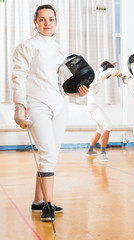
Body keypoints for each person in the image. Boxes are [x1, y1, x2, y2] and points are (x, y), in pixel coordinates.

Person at [12, 4, 89, 222]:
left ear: (56, 22)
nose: (47, 23)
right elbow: (18, 78)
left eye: (51, 19)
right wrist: (19, 106)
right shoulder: (26, 47)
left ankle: (38, 202)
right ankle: (48, 205)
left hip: (59, 106)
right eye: (42, 19)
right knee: (47, 154)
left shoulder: (59, 49)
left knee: (51, 156)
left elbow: (63, 83)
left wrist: (78, 93)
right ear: (35, 22)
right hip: (37, 104)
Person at [86, 61, 121, 161]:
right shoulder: (94, 76)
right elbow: (101, 77)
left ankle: (90, 149)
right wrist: (110, 71)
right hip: (94, 108)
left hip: (96, 108)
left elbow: (103, 76)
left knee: (100, 129)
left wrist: (110, 69)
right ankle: (102, 153)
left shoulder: (99, 75)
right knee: (107, 125)